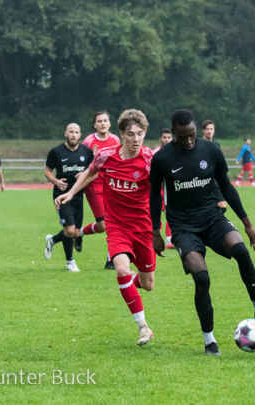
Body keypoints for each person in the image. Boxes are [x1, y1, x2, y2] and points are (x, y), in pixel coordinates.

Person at [150, 109, 255, 356]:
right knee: (202, 279)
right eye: (183, 137)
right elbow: (153, 196)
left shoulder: (210, 151)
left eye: (192, 135)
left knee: (242, 250)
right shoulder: (162, 159)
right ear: (173, 134)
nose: (189, 141)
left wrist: (247, 223)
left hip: (212, 218)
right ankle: (209, 340)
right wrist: (156, 232)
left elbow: (226, 186)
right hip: (183, 227)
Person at [56, 109, 157, 345]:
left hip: (142, 227)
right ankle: (143, 327)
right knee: (121, 269)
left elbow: (162, 187)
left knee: (148, 284)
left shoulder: (150, 159)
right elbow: (89, 173)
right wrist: (70, 193)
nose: (135, 139)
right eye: (130, 134)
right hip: (117, 226)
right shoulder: (105, 155)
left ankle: (132, 282)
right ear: (121, 134)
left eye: (140, 134)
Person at [43, 123, 93, 272]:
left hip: (78, 195)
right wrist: (56, 181)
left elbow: (94, 173)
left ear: (80, 134)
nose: (73, 135)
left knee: (76, 233)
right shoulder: (56, 152)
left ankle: (53, 239)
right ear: (66, 133)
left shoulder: (87, 152)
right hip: (61, 196)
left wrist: (84, 176)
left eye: (76, 132)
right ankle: (70, 262)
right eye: (71, 132)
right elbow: (47, 171)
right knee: (70, 231)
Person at [80, 111, 121, 269]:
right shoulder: (89, 141)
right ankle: (81, 234)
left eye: (105, 120)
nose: (103, 123)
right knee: (104, 225)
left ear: (110, 123)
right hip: (94, 184)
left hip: (111, 184)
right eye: (99, 121)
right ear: (95, 124)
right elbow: (84, 164)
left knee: (112, 223)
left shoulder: (115, 139)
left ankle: (110, 258)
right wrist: (94, 156)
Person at [152, 128, 174, 249]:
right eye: (164, 137)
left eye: (169, 137)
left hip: (170, 189)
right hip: (156, 188)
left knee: (170, 213)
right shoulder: (155, 152)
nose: (166, 140)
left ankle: (169, 241)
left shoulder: (176, 152)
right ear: (160, 139)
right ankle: (155, 237)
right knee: (155, 214)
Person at [202, 120, 228, 212]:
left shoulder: (216, 145)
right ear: (203, 131)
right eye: (207, 129)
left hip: (216, 180)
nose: (209, 131)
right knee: (221, 206)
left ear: (214, 130)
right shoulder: (198, 144)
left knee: (221, 207)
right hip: (204, 180)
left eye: (211, 129)